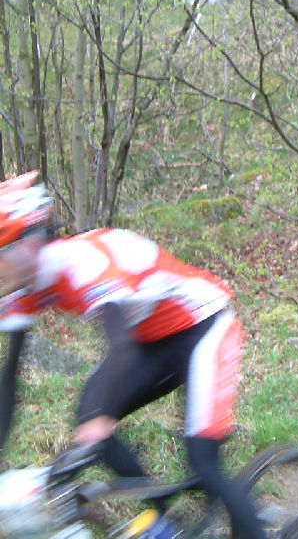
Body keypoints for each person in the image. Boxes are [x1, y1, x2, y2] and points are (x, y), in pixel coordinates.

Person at [0, 170, 267, 539]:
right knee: (89, 416)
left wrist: (96, 423)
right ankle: (163, 519)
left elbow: (120, 350)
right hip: (152, 340)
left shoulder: (82, 262)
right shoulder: (24, 289)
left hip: (203, 326)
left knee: (203, 460)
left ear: (24, 245)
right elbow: (9, 381)